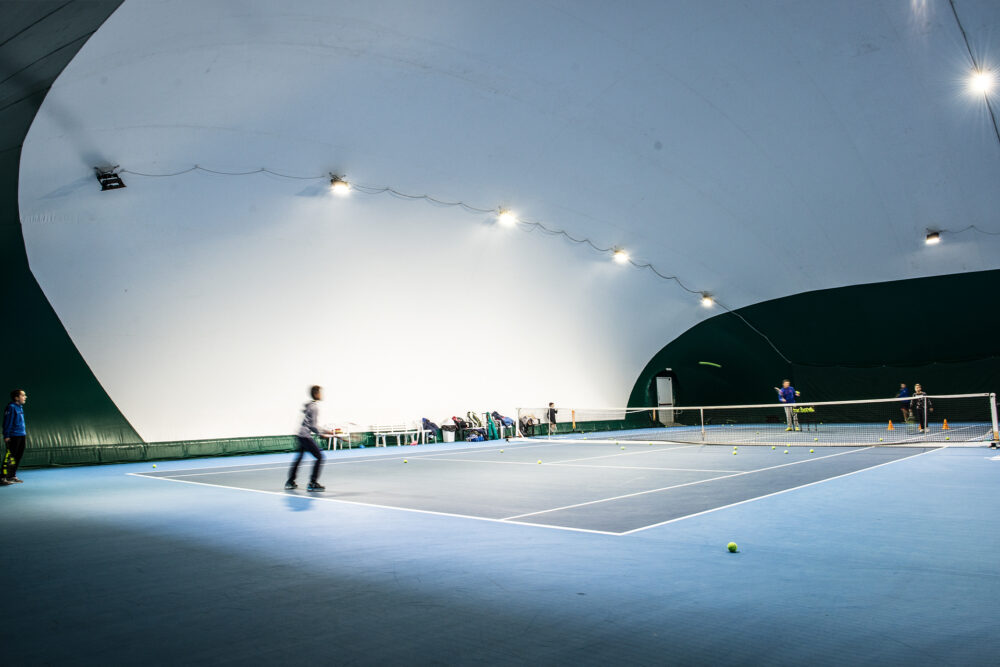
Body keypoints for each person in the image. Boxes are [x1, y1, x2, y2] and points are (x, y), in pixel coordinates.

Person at [286, 385, 336, 492]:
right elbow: (313, 426)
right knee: (319, 457)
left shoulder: (309, 405)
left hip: (300, 434)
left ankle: (290, 481)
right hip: (305, 436)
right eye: (320, 392)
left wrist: (325, 432)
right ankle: (313, 483)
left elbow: (310, 424)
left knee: (299, 458)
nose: (322, 395)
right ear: (316, 394)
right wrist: (322, 434)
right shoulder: (315, 407)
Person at [2, 389, 28, 485]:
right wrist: (6, 435)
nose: (25, 397)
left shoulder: (20, 407)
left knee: (17, 457)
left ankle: (12, 476)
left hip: (22, 435)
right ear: (16, 398)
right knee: (9, 457)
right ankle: (3, 477)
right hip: (13, 436)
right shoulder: (11, 407)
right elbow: (7, 422)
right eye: (23, 395)